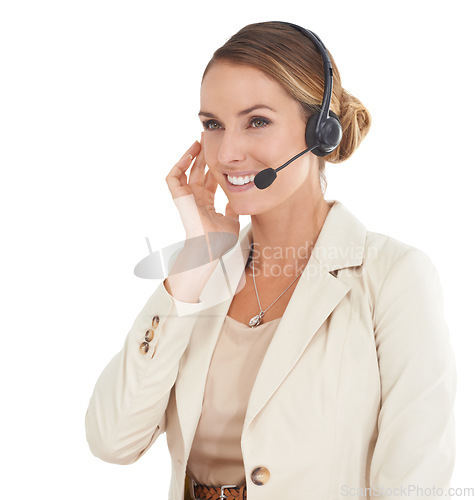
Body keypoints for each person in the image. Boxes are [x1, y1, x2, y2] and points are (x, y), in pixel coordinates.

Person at [85, 21, 457, 500]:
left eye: (256, 121)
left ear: (320, 131)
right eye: (213, 125)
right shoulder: (203, 280)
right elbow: (112, 441)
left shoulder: (393, 278)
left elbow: (414, 486)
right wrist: (195, 265)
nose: (228, 153)